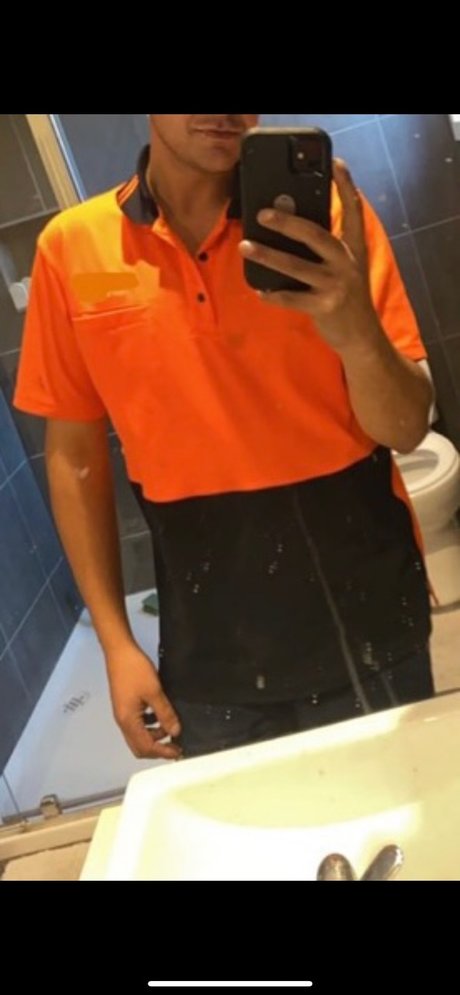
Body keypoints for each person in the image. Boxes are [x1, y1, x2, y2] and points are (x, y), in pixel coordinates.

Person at [14, 114, 435, 761]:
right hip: (209, 652)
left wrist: (355, 328)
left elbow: (405, 429)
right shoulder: (71, 250)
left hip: (369, 617)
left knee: (401, 814)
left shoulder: (330, 220)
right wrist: (116, 644)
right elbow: (73, 458)